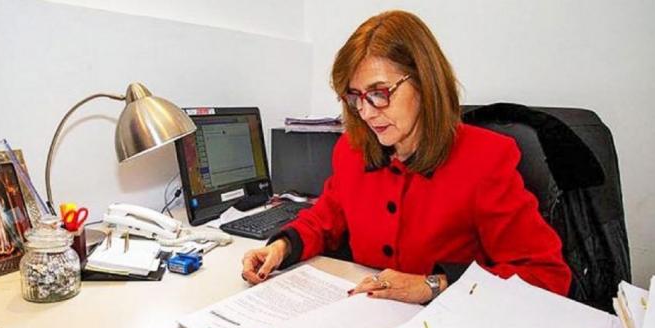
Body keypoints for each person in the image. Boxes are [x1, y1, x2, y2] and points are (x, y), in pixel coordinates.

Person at [241, 10, 571, 304]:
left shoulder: (485, 159)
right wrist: (281, 247)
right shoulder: (353, 151)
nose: (366, 113)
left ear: (425, 83)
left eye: (379, 93)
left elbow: (546, 275)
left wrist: (433, 285)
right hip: (366, 321)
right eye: (355, 97)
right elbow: (324, 219)